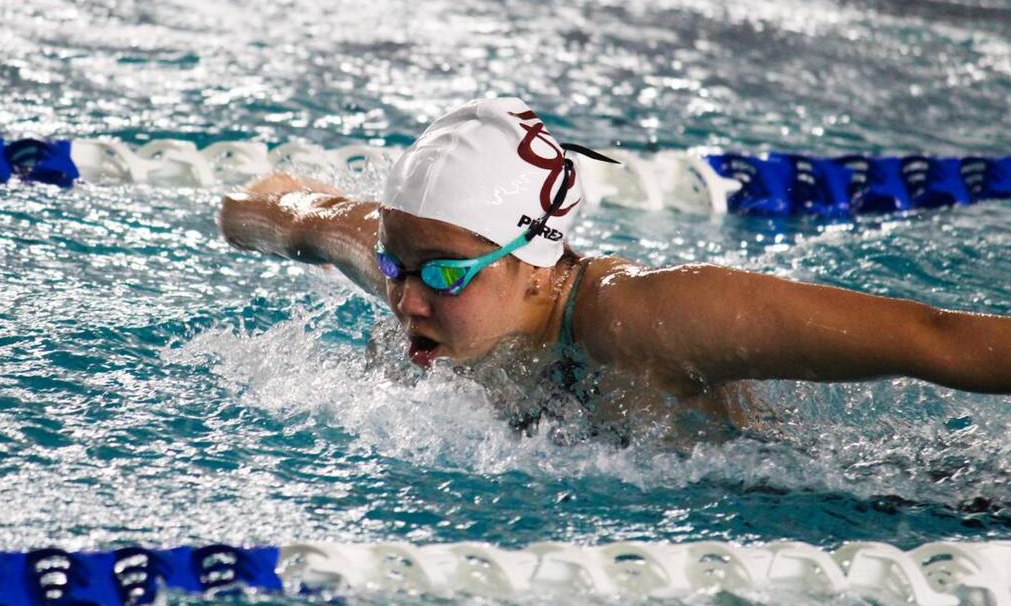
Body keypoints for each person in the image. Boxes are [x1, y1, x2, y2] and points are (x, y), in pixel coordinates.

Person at [219, 97, 1011, 439]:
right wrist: (238, 214)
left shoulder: (654, 319)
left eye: (447, 276)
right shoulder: (414, 258)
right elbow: (288, 210)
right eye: (396, 264)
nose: (407, 302)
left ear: (534, 263)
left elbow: (931, 337)